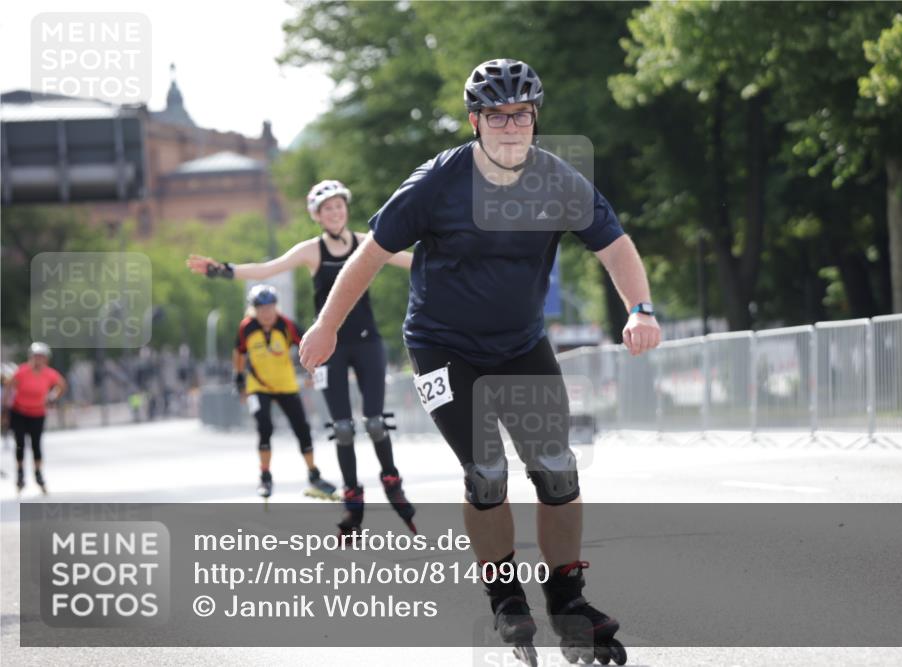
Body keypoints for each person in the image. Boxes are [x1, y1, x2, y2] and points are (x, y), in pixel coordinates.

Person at [298, 59, 659, 666]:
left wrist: (641, 309)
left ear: (535, 119)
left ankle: (569, 601)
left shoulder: (557, 180)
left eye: (521, 114)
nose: (510, 126)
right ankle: (503, 597)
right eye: (497, 115)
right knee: (486, 470)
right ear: (476, 122)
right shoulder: (436, 183)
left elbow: (615, 244)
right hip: (441, 347)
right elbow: (370, 254)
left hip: (520, 344)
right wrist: (327, 325)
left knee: (556, 468)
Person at [186, 182, 417, 533]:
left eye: (339, 206)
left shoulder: (367, 241)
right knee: (342, 428)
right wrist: (223, 269)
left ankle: (392, 481)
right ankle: (352, 500)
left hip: (368, 343)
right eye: (327, 209)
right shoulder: (312, 251)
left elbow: (412, 261)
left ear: (346, 209)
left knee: (374, 422)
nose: (335, 213)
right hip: (330, 347)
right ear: (317, 216)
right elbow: (268, 269)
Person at [230, 284, 338, 499]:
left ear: (275, 307)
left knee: (302, 428)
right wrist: (240, 380)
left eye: (270, 308)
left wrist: (313, 370)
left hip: (286, 385)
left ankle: (314, 474)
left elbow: (307, 343)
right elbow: (239, 353)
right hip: (258, 386)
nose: (266, 313)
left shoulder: (286, 325)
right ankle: (265, 476)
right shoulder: (246, 328)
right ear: (253, 310)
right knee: (264, 427)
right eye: (261, 309)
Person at [4, 342, 67, 494]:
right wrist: (5, 408)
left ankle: (38, 474)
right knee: (19, 444)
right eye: (36, 357)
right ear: (31, 357)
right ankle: (20, 474)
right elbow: (9, 386)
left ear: (46, 359)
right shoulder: (22, 371)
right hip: (19, 412)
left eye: (41, 357)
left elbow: (61, 385)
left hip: (37, 413)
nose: (38, 360)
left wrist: (52, 397)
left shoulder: (49, 373)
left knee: (36, 445)